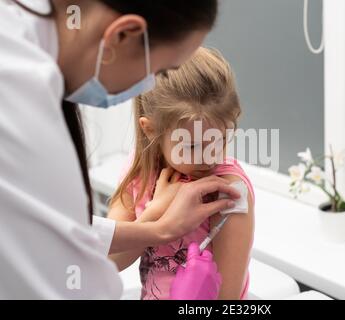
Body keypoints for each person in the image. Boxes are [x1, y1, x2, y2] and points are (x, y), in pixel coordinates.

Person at [0, 0, 239, 299]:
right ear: (123, 34)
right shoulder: (19, 99)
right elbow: (65, 276)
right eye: (163, 70)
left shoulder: (231, 187)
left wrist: (158, 226)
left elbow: (67, 232)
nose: (149, 87)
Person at [108, 48, 255, 300]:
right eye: (193, 146)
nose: (209, 156)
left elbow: (227, 298)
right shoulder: (140, 171)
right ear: (151, 130)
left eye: (219, 139)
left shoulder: (229, 190)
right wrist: (156, 212)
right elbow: (110, 260)